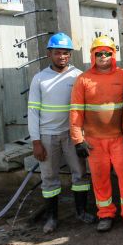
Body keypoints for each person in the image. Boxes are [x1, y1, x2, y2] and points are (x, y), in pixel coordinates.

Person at [70, 35, 123, 234]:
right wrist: (78, 140)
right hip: (94, 141)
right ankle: (106, 214)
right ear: (93, 55)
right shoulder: (83, 80)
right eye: (98, 53)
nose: (103, 57)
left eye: (107, 53)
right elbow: (76, 111)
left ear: (113, 55)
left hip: (119, 139)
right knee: (100, 179)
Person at [27, 33, 94, 234]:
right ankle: (52, 218)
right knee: (49, 178)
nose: (62, 57)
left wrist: (82, 136)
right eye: (58, 53)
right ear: (50, 54)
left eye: (66, 53)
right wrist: (36, 141)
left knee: (80, 174)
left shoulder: (78, 76)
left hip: (72, 135)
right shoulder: (39, 79)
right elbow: (33, 111)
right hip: (47, 136)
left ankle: (81, 212)